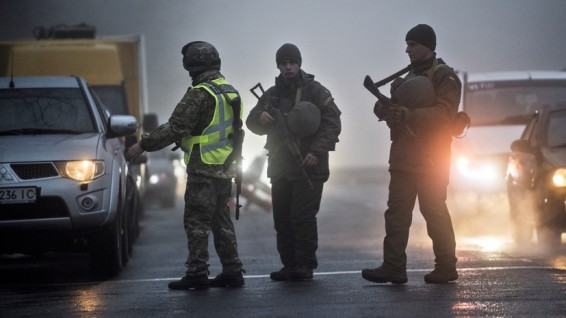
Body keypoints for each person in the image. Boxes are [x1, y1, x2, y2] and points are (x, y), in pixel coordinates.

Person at [126, 41, 245, 290]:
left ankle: (197, 273)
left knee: (196, 222)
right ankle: (233, 271)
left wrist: (142, 145)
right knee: (221, 221)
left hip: (203, 168)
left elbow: (175, 127)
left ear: (192, 65)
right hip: (225, 168)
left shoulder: (200, 93)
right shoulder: (230, 91)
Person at [361, 24, 461, 284]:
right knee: (396, 214)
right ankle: (393, 266)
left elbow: (445, 114)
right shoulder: (407, 78)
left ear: (428, 46)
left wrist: (410, 114)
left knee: (434, 212)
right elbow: (389, 107)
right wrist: (386, 110)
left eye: (413, 44)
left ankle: (446, 267)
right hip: (403, 157)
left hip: (431, 158)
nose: (407, 49)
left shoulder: (445, 77)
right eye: (407, 44)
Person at [246, 43, 342, 281]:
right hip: (281, 167)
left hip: (309, 166)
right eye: (283, 63)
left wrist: (316, 151)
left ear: (299, 64)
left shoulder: (315, 91)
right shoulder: (271, 95)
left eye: (292, 63)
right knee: (282, 218)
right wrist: (262, 117)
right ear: (278, 66)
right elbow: (251, 122)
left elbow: (333, 123)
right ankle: (289, 265)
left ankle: (305, 265)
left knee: (303, 217)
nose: (288, 67)